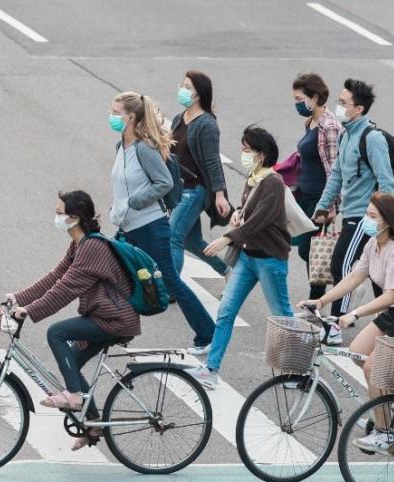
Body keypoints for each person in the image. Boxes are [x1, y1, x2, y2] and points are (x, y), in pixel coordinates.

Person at [299, 192, 394, 450]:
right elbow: (354, 277)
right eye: (367, 215)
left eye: (373, 217)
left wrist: (355, 313)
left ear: (388, 221)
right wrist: (320, 301)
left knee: (373, 369)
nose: (367, 221)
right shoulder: (373, 244)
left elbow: (391, 295)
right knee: (357, 352)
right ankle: (393, 399)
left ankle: (385, 433)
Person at [7, 191, 140, 451]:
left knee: (56, 333)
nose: (56, 217)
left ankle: (75, 397)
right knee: (73, 364)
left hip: (115, 319)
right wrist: (19, 297)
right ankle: (93, 424)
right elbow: (56, 276)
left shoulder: (92, 248)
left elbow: (65, 290)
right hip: (104, 315)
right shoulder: (80, 243)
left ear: (75, 218)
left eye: (60, 213)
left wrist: (29, 311)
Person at [108, 91, 217, 355]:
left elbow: (164, 182)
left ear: (131, 117)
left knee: (170, 281)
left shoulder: (144, 148)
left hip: (150, 226)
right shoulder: (120, 145)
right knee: (116, 275)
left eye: (116, 113)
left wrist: (135, 201)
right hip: (128, 225)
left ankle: (207, 333)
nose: (111, 117)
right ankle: (115, 329)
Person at [186, 126, 294, 389]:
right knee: (226, 311)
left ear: (261, 154)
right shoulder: (253, 177)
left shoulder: (273, 182)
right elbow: (249, 214)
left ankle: (298, 367)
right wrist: (237, 215)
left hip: (269, 260)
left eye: (247, 150)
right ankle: (211, 369)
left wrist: (227, 237)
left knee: (283, 316)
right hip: (247, 257)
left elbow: (259, 220)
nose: (243, 154)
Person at [311, 79, 394, 334]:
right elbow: (336, 175)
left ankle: (336, 325)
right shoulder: (348, 135)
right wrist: (322, 206)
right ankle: (392, 324)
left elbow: (387, 182)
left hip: (365, 216)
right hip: (351, 213)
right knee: (375, 274)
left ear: (358, 109)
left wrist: (381, 219)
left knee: (343, 266)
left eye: (343, 103)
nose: (339, 107)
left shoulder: (372, 138)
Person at [169, 70, 231, 277]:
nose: (182, 90)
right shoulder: (180, 118)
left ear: (199, 94)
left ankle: (173, 288)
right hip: (178, 188)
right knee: (192, 241)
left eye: (188, 88)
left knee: (173, 236)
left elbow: (213, 161)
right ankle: (227, 271)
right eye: (182, 85)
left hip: (195, 189)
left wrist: (220, 195)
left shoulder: (206, 124)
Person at [287, 72, 342, 301]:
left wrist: (330, 205)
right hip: (304, 194)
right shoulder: (311, 122)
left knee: (312, 249)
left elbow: (334, 168)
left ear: (315, 97)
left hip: (320, 197)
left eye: (300, 99)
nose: (297, 104)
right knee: (306, 248)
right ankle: (339, 286)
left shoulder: (328, 126)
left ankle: (316, 301)